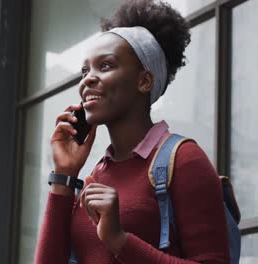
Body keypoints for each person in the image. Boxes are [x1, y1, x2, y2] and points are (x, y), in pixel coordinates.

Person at [34, 0, 230, 263]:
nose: (88, 79)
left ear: (144, 81)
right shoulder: (94, 175)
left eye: (105, 66)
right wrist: (64, 175)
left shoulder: (185, 160)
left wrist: (119, 241)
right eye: (85, 70)